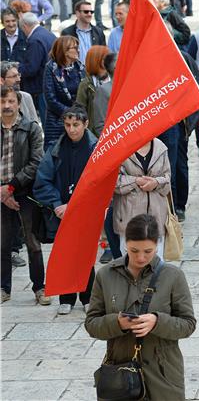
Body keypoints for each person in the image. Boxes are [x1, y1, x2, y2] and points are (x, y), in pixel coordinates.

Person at [85, 213, 196, 400]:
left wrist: (157, 322)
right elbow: (92, 324)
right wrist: (117, 323)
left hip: (164, 375)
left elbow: (188, 324)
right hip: (120, 373)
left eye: (148, 251)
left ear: (157, 245)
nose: (141, 258)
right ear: (125, 243)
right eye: (134, 250)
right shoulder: (106, 275)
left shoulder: (173, 276)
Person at [33, 105, 98, 313]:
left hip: (86, 210)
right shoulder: (55, 148)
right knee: (64, 253)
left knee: (85, 254)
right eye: (68, 125)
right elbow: (42, 181)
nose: (72, 130)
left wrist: (77, 205)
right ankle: (66, 298)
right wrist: (56, 204)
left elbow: (99, 182)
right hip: (61, 211)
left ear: (85, 124)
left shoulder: (95, 148)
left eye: (76, 125)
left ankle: (88, 297)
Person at [0, 86, 48, 305]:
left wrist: (11, 187)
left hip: (25, 193)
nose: (7, 106)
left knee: (33, 243)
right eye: (3, 102)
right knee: (3, 243)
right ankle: (4, 288)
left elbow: (37, 161)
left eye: (11, 101)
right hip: (1, 194)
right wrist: (3, 192)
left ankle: (39, 287)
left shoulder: (31, 129)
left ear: (18, 103)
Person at [113, 137, 171, 256]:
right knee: (130, 262)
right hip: (128, 216)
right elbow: (114, 183)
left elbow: (168, 180)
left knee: (156, 262)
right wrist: (136, 181)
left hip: (156, 216)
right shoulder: (120, 147)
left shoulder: (161, 148)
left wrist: (156, 183)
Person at [42, 36, 84, 148]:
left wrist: (79, 114)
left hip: (78, 119)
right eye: (74, 47)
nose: (78, 50)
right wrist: (70, 113)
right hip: (57, 122)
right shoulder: (51, 68)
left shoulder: (79, 67)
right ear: (64, 51)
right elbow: (50, 99)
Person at [75, 44, 110, 137]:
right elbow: (80, 109)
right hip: (94, 133)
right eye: (106, 58)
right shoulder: (85, 84)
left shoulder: (114, 80)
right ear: (97, 60)